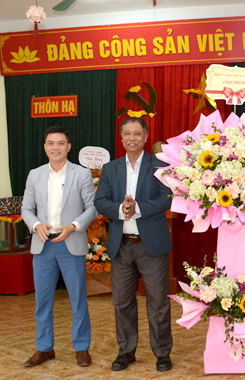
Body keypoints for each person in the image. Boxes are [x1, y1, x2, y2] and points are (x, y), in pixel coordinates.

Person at [95, 117, 173, 372]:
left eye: (137, 134)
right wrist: (121, 208)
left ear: (146, 137)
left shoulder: (159, 166)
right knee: (122, 302)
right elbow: (100, 201)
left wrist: (137, 207)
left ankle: (162, 353)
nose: (132, 138)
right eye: (127, 134)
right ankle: (126, 351)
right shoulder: (110, 169)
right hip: (121, 246)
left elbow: (167, 198)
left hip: (151, 246)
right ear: (121, 138)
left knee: (158, 302)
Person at [21, 126, 97, 368]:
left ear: (68, 147)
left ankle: (82, 347)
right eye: (51, 143)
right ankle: (44, 348)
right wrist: (35, 225)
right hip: (43, 245)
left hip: (70, 243)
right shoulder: (35, 174)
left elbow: (92, 208)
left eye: (60, 143)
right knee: (42, 300)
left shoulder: (82, 174)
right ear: (44, 147)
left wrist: (73, 226)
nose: (56, 147)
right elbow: (26, 209)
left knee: (77, 299)